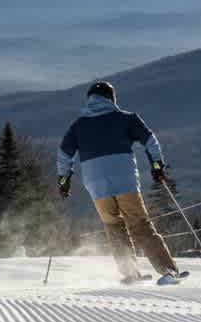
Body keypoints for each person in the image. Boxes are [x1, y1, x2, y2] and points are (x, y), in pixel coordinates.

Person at [57, 81, 185, 285]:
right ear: (112, 98)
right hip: (124, 182)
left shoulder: (78, 125)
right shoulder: (126, 119)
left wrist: (63, 181)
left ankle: (130, 273)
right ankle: (167, 270)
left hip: (97, 186)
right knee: (140, 224)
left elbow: (64, 154)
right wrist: (157, 166)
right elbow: (150, 141)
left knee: (114, 226)